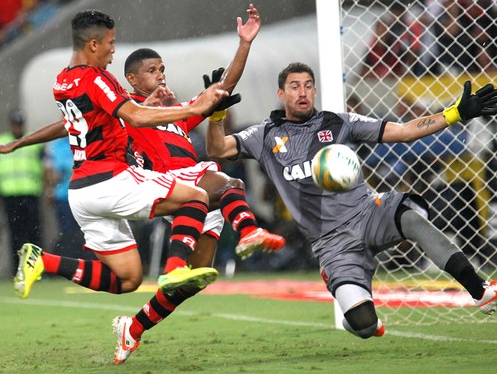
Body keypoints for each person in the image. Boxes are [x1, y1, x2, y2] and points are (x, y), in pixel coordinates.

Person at [0, 6, 283, 363]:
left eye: (162, 70)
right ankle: (235, 237)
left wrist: (244, 46)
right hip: (128, 182)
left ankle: (116, 314)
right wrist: (186, 109)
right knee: (208, 191)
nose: (114, 49)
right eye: (111, 43)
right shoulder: (115, 99)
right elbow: (133, 114)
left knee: (133, 280)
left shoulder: (69, 83)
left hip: (89, 192)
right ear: (95, 45)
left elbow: (73, 122)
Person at [205, 61, 497, 340]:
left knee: (411, 219)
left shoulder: (338, 123)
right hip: (332, 244)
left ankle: (479, 290)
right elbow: (217, 148)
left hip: (368, 212)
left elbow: (404, 131)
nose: (302, 92)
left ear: (315, 91)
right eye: (294, 87)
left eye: (308, 85)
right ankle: (356, 311)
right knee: (364, 325)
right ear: (281, 94)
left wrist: (454, 114)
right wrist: (215, 116)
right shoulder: (265, 134)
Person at [0, 109, 45, 270]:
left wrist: (49, 189)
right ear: (11, 124)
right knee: (15, 234)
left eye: (20, 124)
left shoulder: (34, 140)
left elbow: (45, 168)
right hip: (9, 195)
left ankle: (34, 268)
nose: (17, 128)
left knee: (34, 234)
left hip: (31, 193)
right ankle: (17, 268)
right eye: (15, 124)